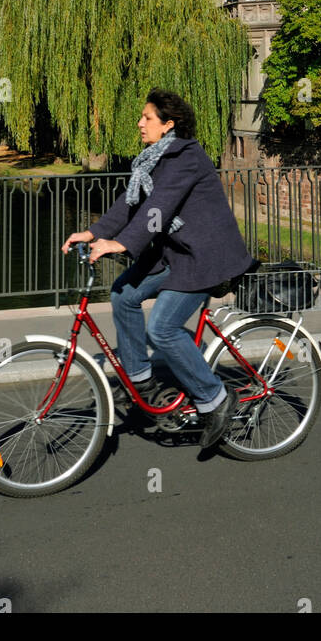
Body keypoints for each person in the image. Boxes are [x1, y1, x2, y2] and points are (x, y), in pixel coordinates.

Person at [62, 88, 254, 448]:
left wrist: (121, 243)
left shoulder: (185, 156)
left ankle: (215, 399)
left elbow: (160, 207)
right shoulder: (153, 160)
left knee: (164, 328)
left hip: (204, 256)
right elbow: (131, 203)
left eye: (146, 117)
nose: (139, 123)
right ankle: (141, 380)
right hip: (174, 253)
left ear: (169, 124)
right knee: (122, 293)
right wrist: (93, 232)